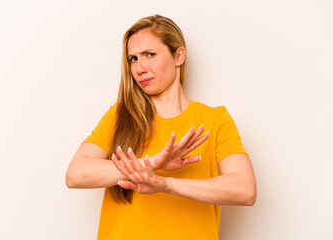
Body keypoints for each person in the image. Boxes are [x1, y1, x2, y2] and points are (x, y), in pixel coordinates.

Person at [66, 14, 257, 240]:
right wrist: (153, 163)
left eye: (150, 55)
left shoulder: (215, 119)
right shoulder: (120, 115)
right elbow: (75, 175)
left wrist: (166, 184)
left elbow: (245, 190)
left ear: (178, 56)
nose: (139, 68)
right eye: (133, 59)